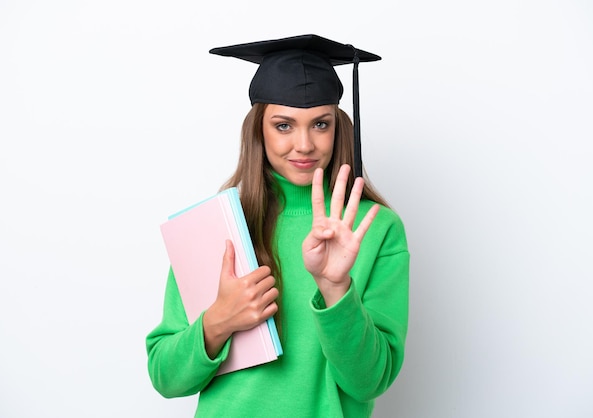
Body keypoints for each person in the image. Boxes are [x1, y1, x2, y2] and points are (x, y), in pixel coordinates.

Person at [146, 34, 409, 417]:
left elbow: (370, 381)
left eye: (320, 124)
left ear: (338, 129)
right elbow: (165, 377)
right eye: (284, 126)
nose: (304, 144)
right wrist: (218, 321)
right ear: (259, 131)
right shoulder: (216, 226)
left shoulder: (374, 228)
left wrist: (336, 290)